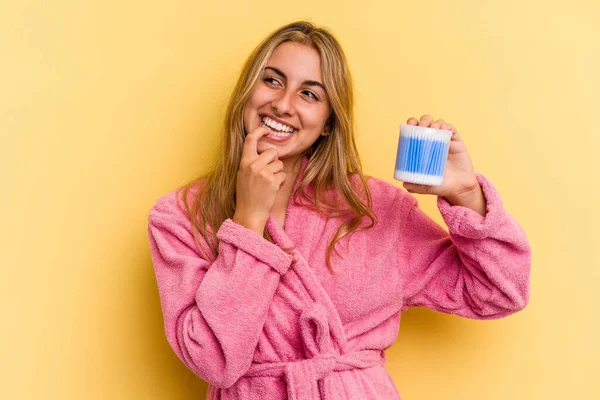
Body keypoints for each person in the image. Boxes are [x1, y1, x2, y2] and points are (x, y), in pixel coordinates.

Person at [147, 20, 531, 400]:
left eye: (310, 94)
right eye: (272, 80)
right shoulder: (180, 218)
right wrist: (248, 221)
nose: (283, 105)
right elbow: (212, 361)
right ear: (246, 92)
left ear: (329, 123)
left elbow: (500, 291)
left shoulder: (372, 209)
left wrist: (466, 195)